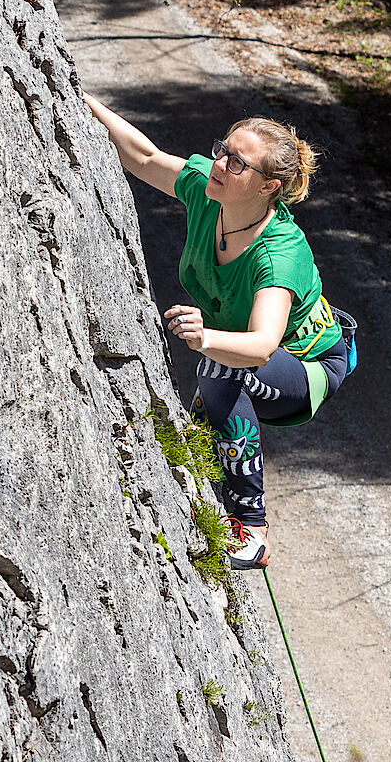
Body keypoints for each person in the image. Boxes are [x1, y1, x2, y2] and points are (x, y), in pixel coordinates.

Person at [83, 92, 350, 571]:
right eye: (222, 150)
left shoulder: (278, 255)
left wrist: (205, 338)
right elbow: (143, 158)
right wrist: (78, 97)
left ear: (268, 186)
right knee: (213, 398)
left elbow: (263, 346)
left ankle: (254, 528)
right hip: (253, 359)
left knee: (221, 368)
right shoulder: (212, 195)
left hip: (309, 368)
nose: (220, 164)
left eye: (236, 162)